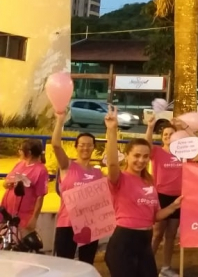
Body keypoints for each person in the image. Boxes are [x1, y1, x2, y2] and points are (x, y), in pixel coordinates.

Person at [104, 106, 182, 277]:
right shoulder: (119, 178)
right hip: (124, 242)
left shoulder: (149, 182)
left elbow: (154, 216)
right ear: (127, 156)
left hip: (144, 243)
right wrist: (112, 130)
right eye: (136, 156)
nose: (141, 160)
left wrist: (174, 206)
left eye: (145, 156)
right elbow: (112, 163)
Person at [51, 111, 103, 264]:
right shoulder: (67, 166)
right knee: (64, 264)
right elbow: (56, 145)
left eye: (89, 145)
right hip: (67, 223)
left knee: (86, 263)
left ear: (94, 147)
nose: (85, 148)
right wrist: (60, 120)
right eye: (82, 145)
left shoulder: (98, 173)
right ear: (76, 147)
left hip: (90, 224)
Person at [145, 119, 184, 277]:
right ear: (161, 137)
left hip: (178, 197)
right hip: (161, 195)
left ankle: (166, 267)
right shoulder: (156, 152)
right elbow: (146, 144)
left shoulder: (183, 153)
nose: (168, 136)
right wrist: (149, 127)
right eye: (165, 134)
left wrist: (185, 128)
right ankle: (146, 266)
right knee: (157, 234)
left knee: (171, 234)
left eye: (171, 134)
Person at [1, 138, 47, 243]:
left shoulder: (41, 170)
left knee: (16, 242)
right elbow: (6, 182)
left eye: (21, 150)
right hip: (6, 211)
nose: (19, 151)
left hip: (22, 216)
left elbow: (40, 196)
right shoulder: (19, 164)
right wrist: (7, 184)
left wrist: (34, 218)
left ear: (29, 152)